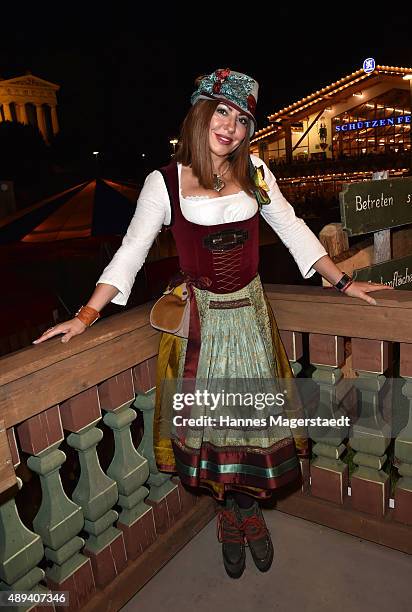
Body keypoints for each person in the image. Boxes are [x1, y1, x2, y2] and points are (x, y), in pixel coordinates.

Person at [33, 68, 391, 579]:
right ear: (199, 112)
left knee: (253, 427)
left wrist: (343, 283)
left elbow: (290, 227)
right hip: (202, 325)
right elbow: (132, 250)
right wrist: (87, 314)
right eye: (222, 111)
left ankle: (244, 512)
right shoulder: (164, 182)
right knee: (214, 434)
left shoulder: (255, 171)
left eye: (243, 119)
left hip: (251, 318)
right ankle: (233, 514)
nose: (232, 127)